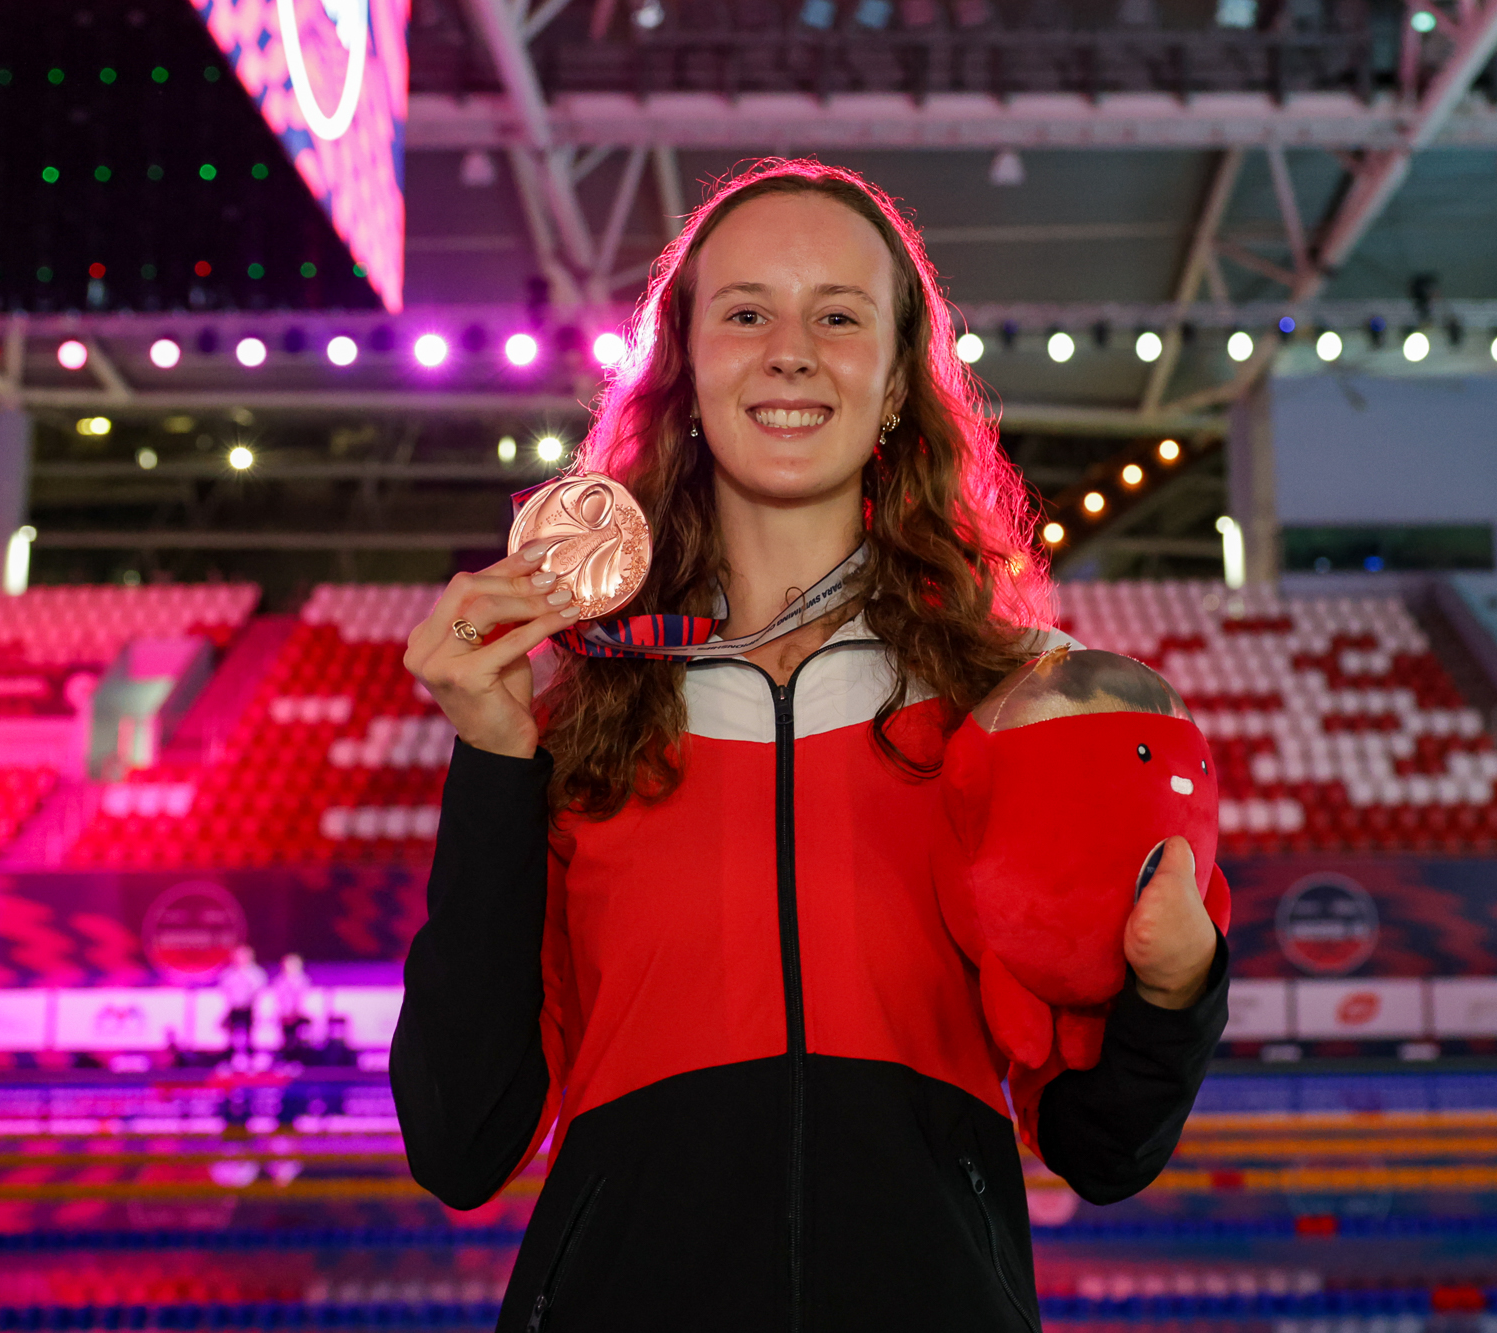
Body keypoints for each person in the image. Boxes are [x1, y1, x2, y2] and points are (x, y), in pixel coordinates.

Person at [390, 160, 1228, 1331]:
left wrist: (1173, 986)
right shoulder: (580, 716)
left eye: (837, 315)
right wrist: (491, 757)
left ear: (893, 387)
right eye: (745, 313)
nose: (791, 349)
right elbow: (459, 1142)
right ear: (686, 375)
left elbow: (1103, 1145)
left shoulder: (1013, 705)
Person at [215, 944, 267, 1070]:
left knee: (250, 1035)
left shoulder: (256, 973)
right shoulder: (228, 974)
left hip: (250, 1007)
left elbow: (258, 991)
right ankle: (230, 1060)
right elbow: (225, 990)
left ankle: (251, 1061)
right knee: (231, 1035)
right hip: (234, 1007)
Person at [270, 953, 313, 1058]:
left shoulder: (303, 980)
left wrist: (297, 1011)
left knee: (298, 1038)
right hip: (284, 1014)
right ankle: (287, 1059)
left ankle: (298, 1059)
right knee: (285, 1038)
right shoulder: (279, 981)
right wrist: (282, 1011)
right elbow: (278, 998)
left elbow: (303, 998)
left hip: (298, 1013)